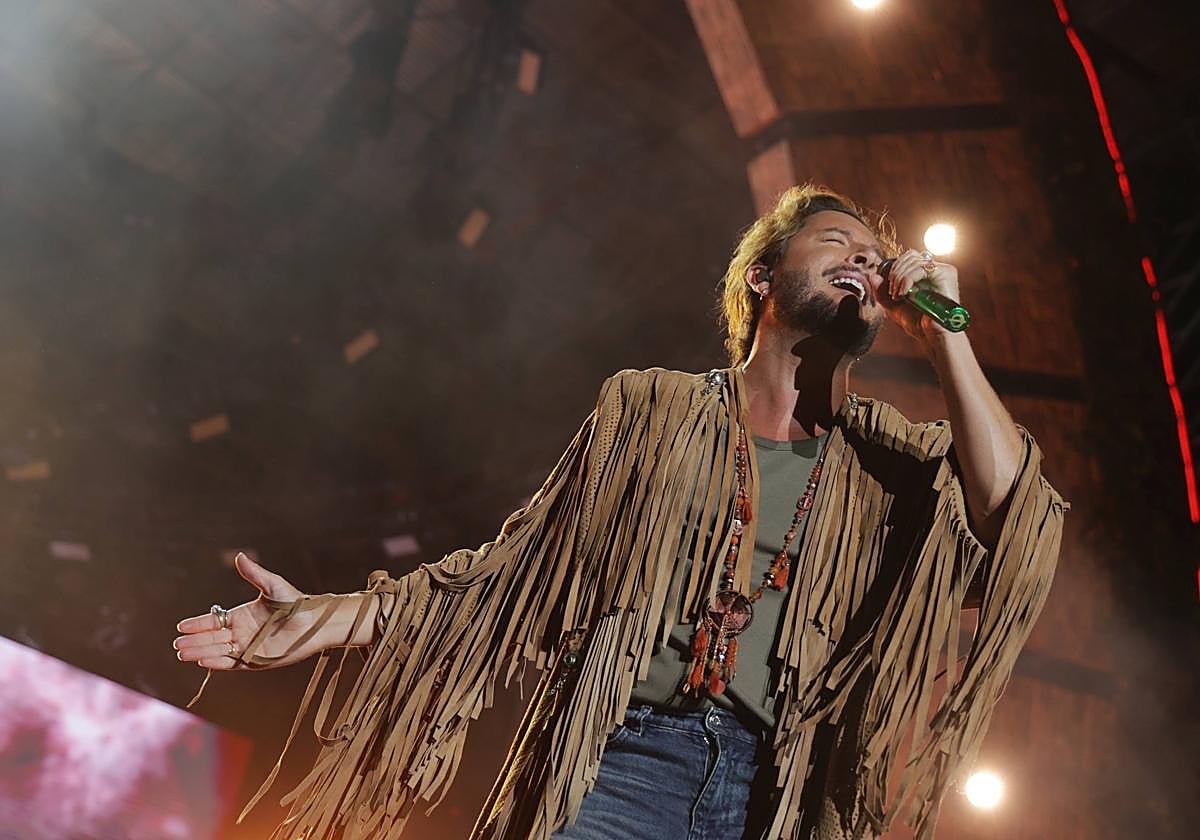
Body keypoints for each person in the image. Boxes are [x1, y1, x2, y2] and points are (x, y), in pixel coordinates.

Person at [174, 185, 1066, 840]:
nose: (866, 262)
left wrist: (947, 326)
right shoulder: (650, 409)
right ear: (763, 275)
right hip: (623, 770)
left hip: (780, 800)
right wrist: (319, 620)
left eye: (876, 257)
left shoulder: (896, 463)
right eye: (839, 242)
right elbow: (500, 580)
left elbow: (1015, 514)